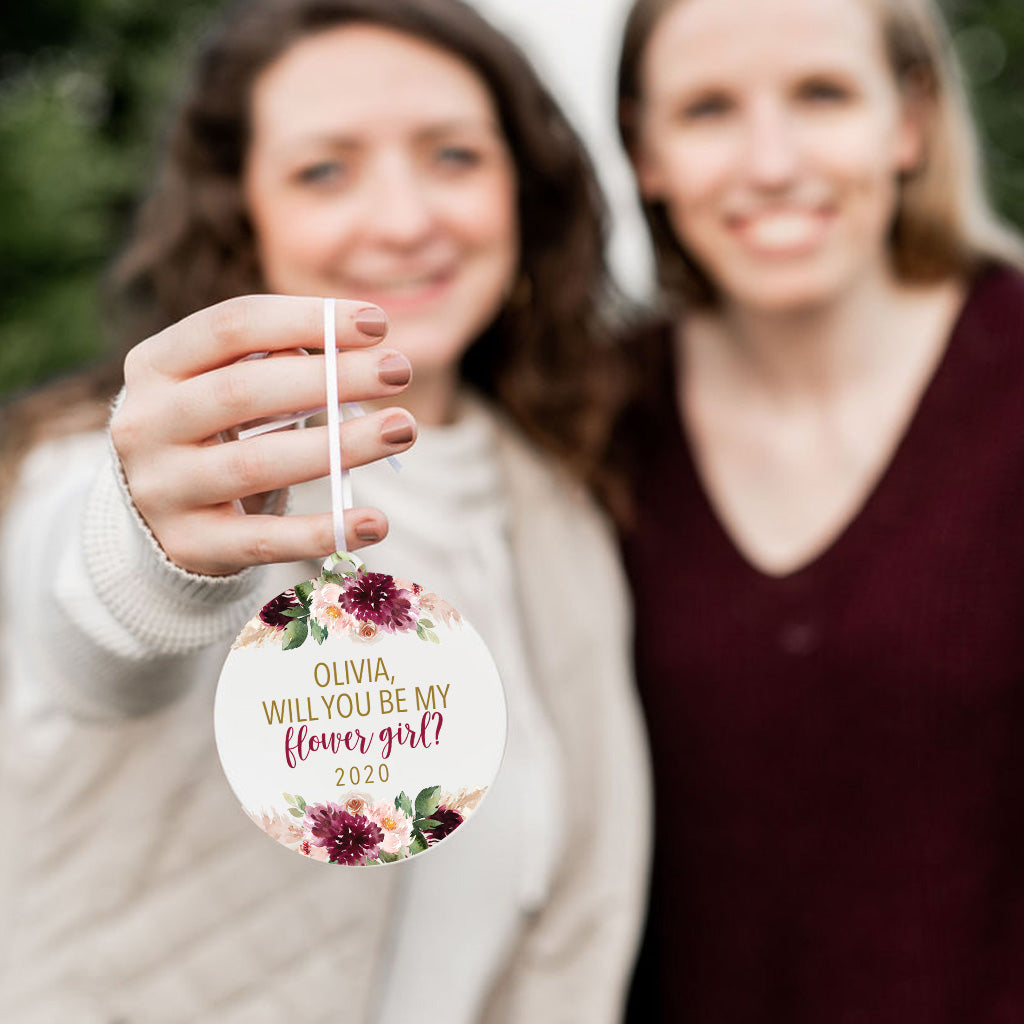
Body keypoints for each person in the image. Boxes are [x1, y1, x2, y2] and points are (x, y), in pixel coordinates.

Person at [0, 1, 651, 1021]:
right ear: (241, 212)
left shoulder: (563, 500)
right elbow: (87, 624)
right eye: (323, 171)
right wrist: (153, 551)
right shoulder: (140, 463)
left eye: (452, 156)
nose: (402, 219)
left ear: (525, 188)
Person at [606, 0, 1024, 1020]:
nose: (771, 163)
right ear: (644, 152)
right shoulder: (591, 420)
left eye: (823, 95)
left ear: (908, 123)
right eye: (707, 109)